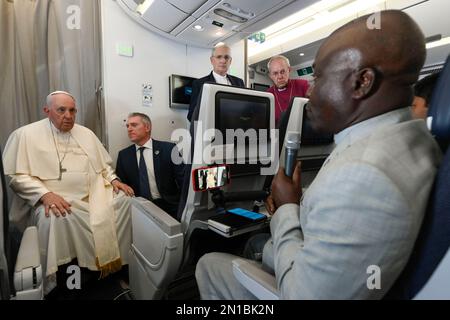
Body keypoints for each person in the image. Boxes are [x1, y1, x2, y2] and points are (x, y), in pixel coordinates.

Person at [195, 10, 442, 300]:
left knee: (208, 264)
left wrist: (288, 208)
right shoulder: (412, 141)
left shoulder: (363, 173)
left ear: (363, 81)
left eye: (319, 76)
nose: (310, 90)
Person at [2, 91, 134, 294]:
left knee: (127, 201)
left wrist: (114, 180)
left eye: (72, 110)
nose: (68, 115)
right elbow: (16, 176)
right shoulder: (25, 135)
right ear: (47, 111)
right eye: (61, 110)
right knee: (54, 217)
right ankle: (58, 281)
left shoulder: (86, 133)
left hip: (94, 194)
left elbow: (103, 166)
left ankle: (117, 266)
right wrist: (45, 195)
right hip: (55, 197)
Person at [116, 113, 185, 219]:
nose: (129, 129)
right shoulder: (124, 155)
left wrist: (183, 206)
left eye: (134, 125)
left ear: (147, 127)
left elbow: (184, 180)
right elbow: (122, 186)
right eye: (127, 126)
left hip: (170, 207)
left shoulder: (170, 149)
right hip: (139, 209)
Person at [187, 44, 245, 122]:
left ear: (230, 61)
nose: (223, 61)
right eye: (219, 57)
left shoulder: (239, 82)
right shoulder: (200, 84)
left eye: (226, 57)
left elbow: (244, 110)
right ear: (212, 60)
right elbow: (191, 115)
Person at [266, 55, 309, 125]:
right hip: (278, 134)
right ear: (270, 75)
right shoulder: (268, 95)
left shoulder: (303, 85)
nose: (280, 76)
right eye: (275, 73)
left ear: (289, 70)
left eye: (282, 72)